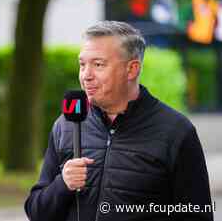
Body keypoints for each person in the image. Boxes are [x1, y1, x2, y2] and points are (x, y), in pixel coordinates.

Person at [24, 21, 213, 221]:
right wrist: (62, 184)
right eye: (82, 64)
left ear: (132, 69)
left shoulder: (176, 132)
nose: (86, 75)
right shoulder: (66, 124)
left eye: (98, 64)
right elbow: (36, 213)